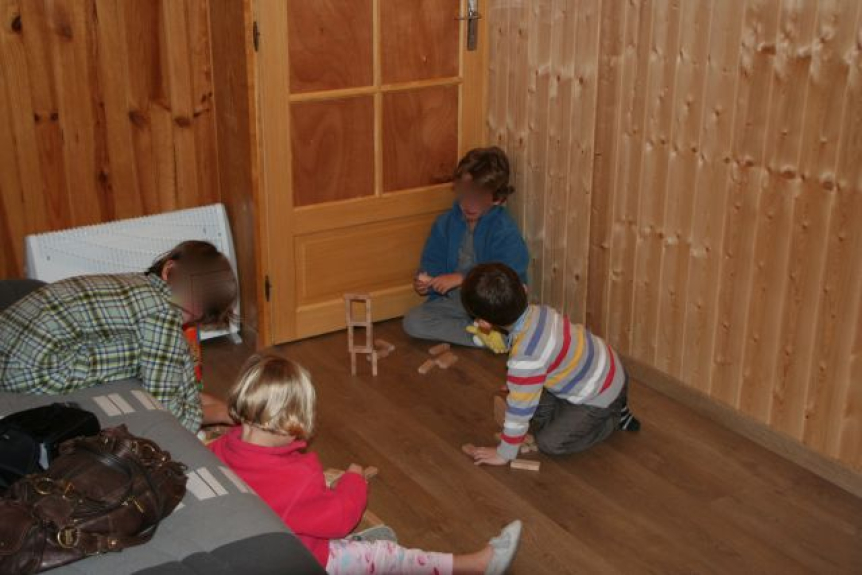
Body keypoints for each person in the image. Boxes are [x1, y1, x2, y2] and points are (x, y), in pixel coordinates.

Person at [209, 353, 522, 575]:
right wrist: (353, 480)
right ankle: (475, 565)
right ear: (290, 422)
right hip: (302, 562)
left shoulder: (220, 449)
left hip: (248, 554)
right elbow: (341, 518)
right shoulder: (297, 478)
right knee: (387, 555)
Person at [0, 240, 237, 432]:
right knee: (159, 349)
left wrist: (207, 400)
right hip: (26, 370)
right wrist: (218, 413)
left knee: (166, 349)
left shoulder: (139, 283)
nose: (186, 320)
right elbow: (167, 408)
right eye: (192, 311)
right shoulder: (162, 314)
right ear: (168, 271)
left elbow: (170, 362)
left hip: (7, 339)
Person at [459, 263, 640, 465]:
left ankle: (613, 416)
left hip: (601, 391)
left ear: (484, 323)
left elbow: (520, 409)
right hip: (605, 365)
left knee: (549, 443)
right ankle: (609, 404)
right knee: (536, 412)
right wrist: (519, 384)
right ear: (524, 289)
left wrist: (505, 453)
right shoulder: (539, 312)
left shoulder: (526, 357)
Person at [403, 147, 528, 351]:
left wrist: (462, 278)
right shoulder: (445, 223)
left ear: (496, 198)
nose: (468, 204)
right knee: (413, 321)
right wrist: (426, 280)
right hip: (456, 302)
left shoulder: (502, 229)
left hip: (491, 304)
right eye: (464, 194)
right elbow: (432, 260)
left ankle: (493, 332)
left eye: (477, 198)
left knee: (509, 319)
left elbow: (508, 272)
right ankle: (481, 337)